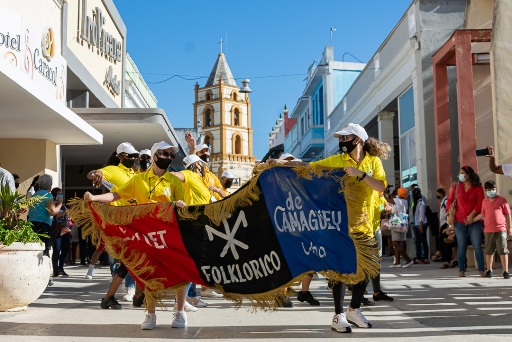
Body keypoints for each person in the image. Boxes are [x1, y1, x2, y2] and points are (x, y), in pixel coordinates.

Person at [269, 122, 388, 332]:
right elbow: (311, 166)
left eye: (345, 138)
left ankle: (354, 310)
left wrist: (360, 174)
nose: (341, 142)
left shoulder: (373, 161)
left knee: (366, 271)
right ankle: (338, 316)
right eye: (340, 139)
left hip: (366, 225)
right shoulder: (338, 160)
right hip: (341, 226)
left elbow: (380, 186)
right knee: (339, 270)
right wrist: (282, 163)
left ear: (357, 140)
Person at [85, 141, 188, 329]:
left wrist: (181, 205)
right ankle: (150, 315)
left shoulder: (174, 181)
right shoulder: (138, 180)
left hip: (170, 232)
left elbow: (182, 204)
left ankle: (180, 312)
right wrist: (94, 198)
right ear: (155, 156)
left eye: (171, 155)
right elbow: (116, 195)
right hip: (147, 234)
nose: (169, 157)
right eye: (165, 154)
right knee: (149, 274)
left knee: (179, 271)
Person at [85, 142, 139, 280]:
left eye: (135, 156)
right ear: (121, 157)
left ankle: (129, 287)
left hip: (135, 219)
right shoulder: (113, 170)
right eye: (130, 156)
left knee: (131, 256)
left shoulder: (135, 173)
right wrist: (95, 173)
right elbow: (91, 175)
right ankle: (124, 285)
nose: (133, 158)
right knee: (114, 254)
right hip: (118, 220)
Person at [446, 166, 485, 277]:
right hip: (459, 220)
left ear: (469, 174)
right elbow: (450, 200)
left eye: (463, 173)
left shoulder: (477, 187)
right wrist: (450, 210)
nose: (460, 175)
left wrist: (471, 216)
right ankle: (461, 270)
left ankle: (481, 270)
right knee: (461, 246)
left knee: (476, 245)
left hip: (474, 221)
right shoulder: (457, 187)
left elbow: (480, 203)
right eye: (460, 173)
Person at [472, 180, 511, 279]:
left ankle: (505, 271)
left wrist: (510, 227)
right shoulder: (484, 201)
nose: (491, 191)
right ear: (485, 191)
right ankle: (489, 270)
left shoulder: (502, 200)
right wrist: (472, 219)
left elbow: (507, 214)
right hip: (488, 230)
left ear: (496, 189)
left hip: (501, 229)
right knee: (489, 250)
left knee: (503, 250)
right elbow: (482, 214)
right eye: (489, 190)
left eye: (493, 189)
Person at [184, 132, 227, 201]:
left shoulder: (212, 175)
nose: (205, 153)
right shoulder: (195, 171)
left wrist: (217, 190)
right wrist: (192, 148)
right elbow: (190, 160)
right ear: (196, 155)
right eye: (201, 152)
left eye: (207, 151)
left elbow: (224, 194)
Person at [389, 187, 413, 268]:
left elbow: (388, 200)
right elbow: (394, 199)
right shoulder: (405, 201)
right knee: (399, 243)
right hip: (402, 223)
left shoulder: (396, 200)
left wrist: (383, 194)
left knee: (395, 243)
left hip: (396, 223)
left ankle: (408, 260)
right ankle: (397, 262)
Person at [50, 187, 71, 277]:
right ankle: (55, 270)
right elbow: (55, 215)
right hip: (57, 230)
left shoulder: (63, 205)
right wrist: (64, 212)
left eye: (61, 194)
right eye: (59, 194)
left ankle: (61, 267)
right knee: (57, 250)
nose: (61, 196)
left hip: (65, 230)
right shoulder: (53, 204)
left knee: (66, 248)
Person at [412, 187, 429, 264]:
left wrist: (421, 225)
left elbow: (422, 215)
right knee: (418, 242)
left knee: (423, 241)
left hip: (421, 224)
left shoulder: (421, 203)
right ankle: (418, 257)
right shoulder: (416, 203)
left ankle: (425, 257)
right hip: (417, 224)